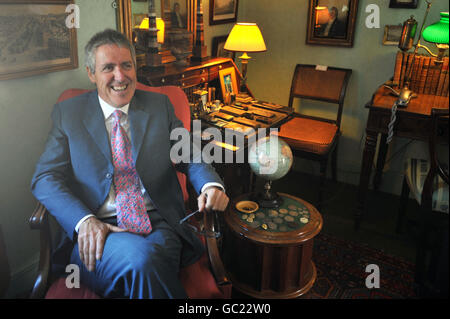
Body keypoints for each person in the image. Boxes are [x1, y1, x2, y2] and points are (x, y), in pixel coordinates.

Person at [30, 29, 229, 299]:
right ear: (91, 73)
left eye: (126, 65)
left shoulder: (160, 106)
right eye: (108, 68)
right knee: (143, 263)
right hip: (99, 231)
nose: (120, 77)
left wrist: (209, 183)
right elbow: (45, 177)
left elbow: (189, 152)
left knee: (145, 264)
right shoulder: (69, 114)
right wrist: (84, 221)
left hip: (159, 224)